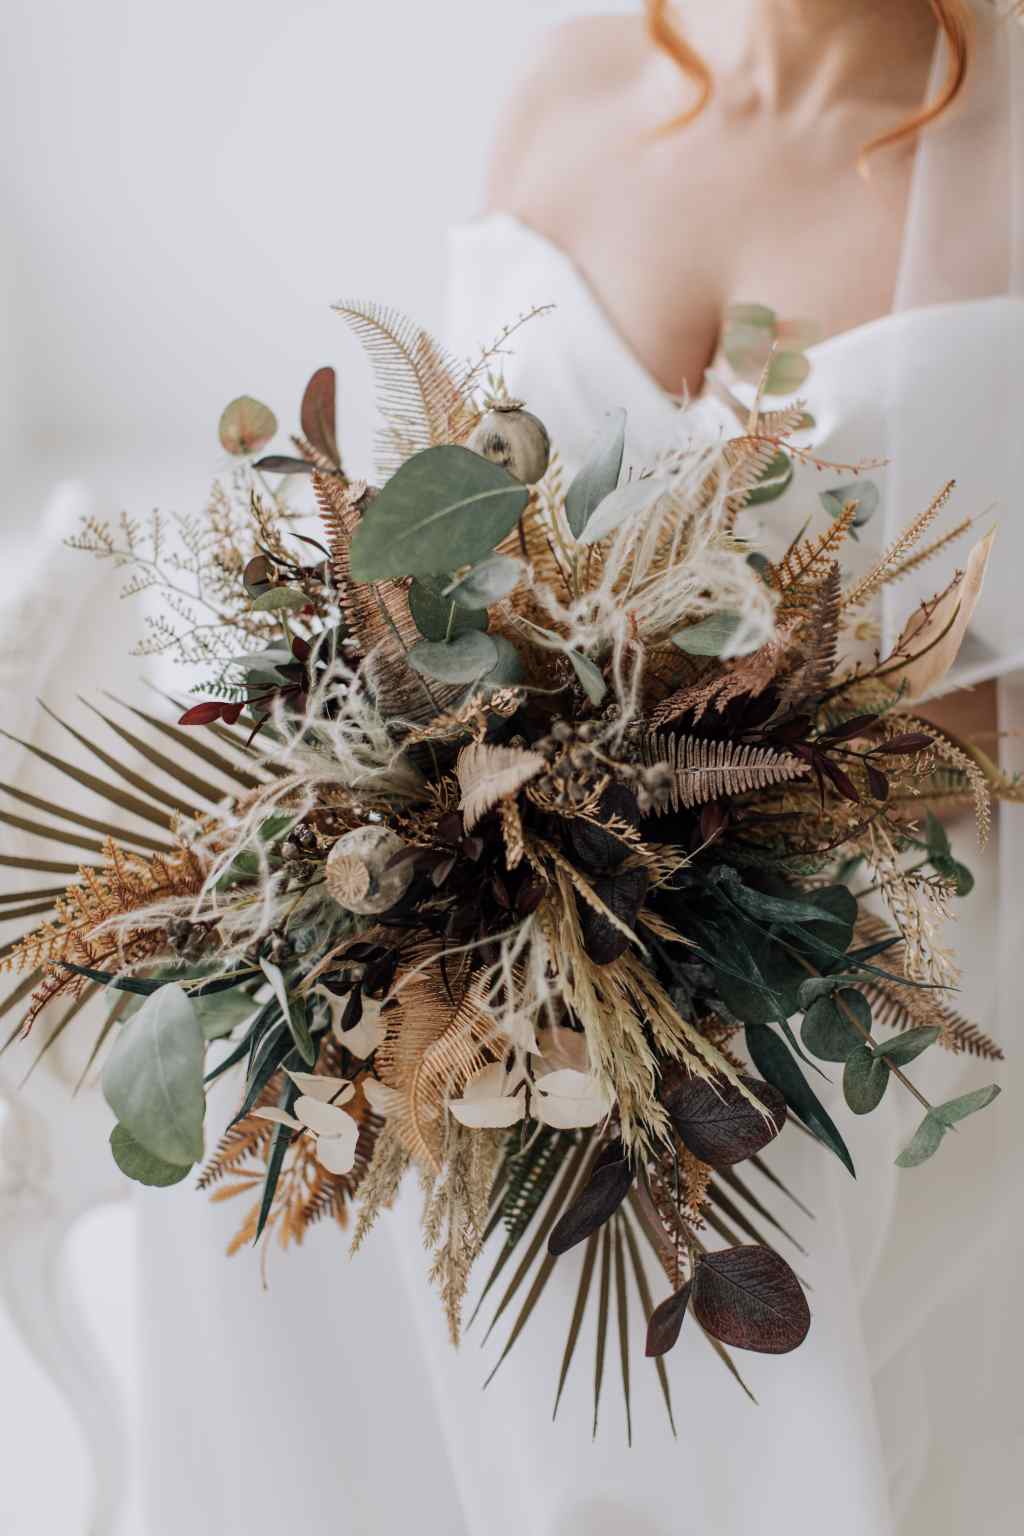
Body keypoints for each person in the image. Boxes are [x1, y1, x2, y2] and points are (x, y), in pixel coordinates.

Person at [139, 5, 1024, 1532]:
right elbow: (461, 534)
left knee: (754, 1149)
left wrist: (753, 818)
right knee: (277, 1092)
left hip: (891, 892)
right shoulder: (567, 89)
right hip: (519, 855)